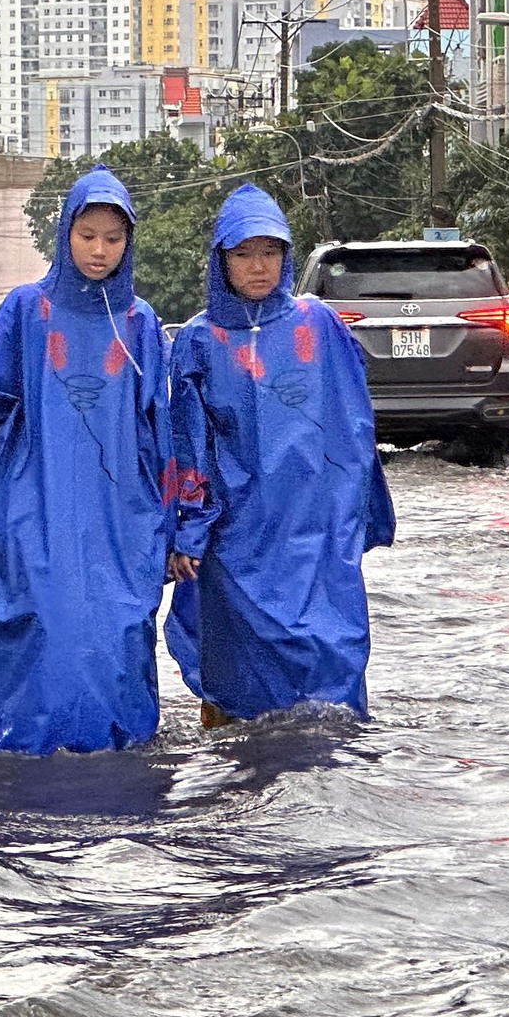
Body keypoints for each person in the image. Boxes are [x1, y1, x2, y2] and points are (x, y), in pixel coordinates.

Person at [0, 167, 171, 754]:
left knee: (114, 636)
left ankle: (110, 756)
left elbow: (165, 432)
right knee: (34, 627)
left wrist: (178, 529)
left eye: (113, 238)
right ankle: (13, 748)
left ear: (128, 244)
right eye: (87, 235)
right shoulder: (26, 310)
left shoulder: (141, 325)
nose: (99, 250)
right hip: (27, 506)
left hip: (118, 522)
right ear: (64, 233)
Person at [165, 185, 395, 729]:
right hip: (235, 532)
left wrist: (364, 510)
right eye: (243, 253)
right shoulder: (198, 342)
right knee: (235, 660)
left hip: (313, 530)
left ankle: (331, 768)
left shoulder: (317, 324)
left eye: (269, 252)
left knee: (329, 648)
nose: (258, 266)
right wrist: (189, 531)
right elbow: (187, 444)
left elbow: (354, 425)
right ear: (221, 260)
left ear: (286, 256)